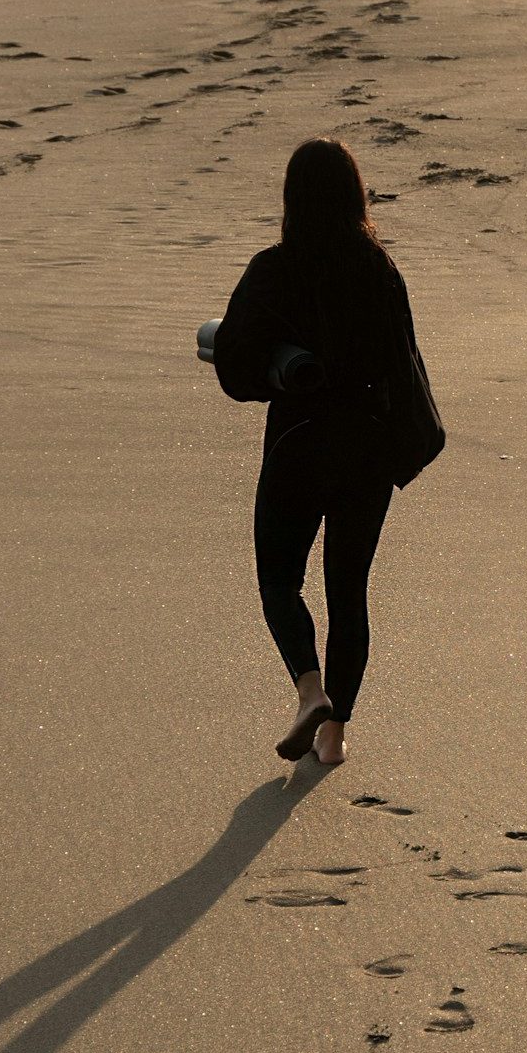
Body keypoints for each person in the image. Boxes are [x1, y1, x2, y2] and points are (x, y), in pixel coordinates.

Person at [210, 138, 443, 765]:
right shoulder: (378, 269)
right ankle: (335, 734)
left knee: (278, 579)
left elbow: (234, 368)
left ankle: (309, 690)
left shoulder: (273, 270)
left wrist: (278, 370)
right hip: (366, 449)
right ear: (355, 194)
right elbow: (405, 365)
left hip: (298, 445)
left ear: (291, 199)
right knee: (348, 589)